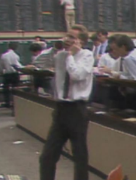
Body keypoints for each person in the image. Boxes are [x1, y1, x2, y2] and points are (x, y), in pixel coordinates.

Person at [39, 30, 94, 180]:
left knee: (79, 156)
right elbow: (39, 62)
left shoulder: (87, 56)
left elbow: (77, 75)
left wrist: (70, 55)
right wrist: (53, 48)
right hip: (61, 109)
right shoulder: (59, 55)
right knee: (47, 156)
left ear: (80, 42)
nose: (66, 40)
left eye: (71, 37)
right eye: (66, 36)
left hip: (77, 109)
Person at [0, 42, 22, 108]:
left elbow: (1, 66)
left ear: (8, 47)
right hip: (15, 74)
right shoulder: (16, 56)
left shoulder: (4, 55)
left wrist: (1, 71)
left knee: (6, 89)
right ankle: (15, 103)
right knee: (15, 89)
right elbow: (18, 65)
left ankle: (7, 102)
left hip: (7, 74)